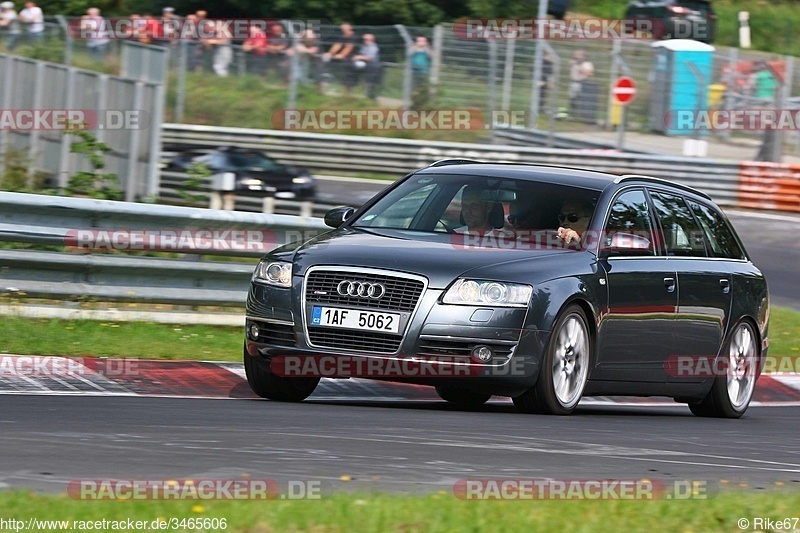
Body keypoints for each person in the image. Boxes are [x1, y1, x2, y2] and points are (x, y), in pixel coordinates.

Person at [322, 23, 357, 93]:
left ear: (349, 28)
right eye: (342, 29)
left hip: (352, 57)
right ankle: (325, 83)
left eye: (344, 29)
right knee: (327, 62)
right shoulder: (343, 36)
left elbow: (349, 48)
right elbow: (337, 45)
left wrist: (341, 55)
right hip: (341, 57)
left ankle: (347, 91)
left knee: (347, 68)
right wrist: (330, 53)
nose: (343, 30)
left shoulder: (354, 36)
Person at [352, 33, 380, 100]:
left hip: (373, 66)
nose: (365, 40)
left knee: (370, 82)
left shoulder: (373, 47)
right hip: (367, 65)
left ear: (372, 40)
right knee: (364, 81)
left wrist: (359, 57)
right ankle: (365, 95)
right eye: (364, 39)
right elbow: (361, 53)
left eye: (367, 39)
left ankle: (370, 96)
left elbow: (369, 58)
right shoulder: (365, 46)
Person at [569, 50, 594, 120]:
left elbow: (590, 73)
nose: (576, 56)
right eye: (576, 54)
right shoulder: (573, 62)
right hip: (573, 82)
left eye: (579, 54)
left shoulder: (587, 63)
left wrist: (582, 70)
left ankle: (581, 116)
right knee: (573, 99)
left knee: (582, 99)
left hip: (582, 82)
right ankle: (572, 115)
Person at [410, 36, 431, 109]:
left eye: (423, 41)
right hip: (414, 71)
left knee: (422, 88)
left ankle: (422, 103)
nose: (421, 43)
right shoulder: (414, 49)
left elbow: (431, 55)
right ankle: (414, 102)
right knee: (414, 88)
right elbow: (409, 54)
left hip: (424, 72)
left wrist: (427, 46)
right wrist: (415, 46)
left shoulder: (427, 49)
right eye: (419, 41)